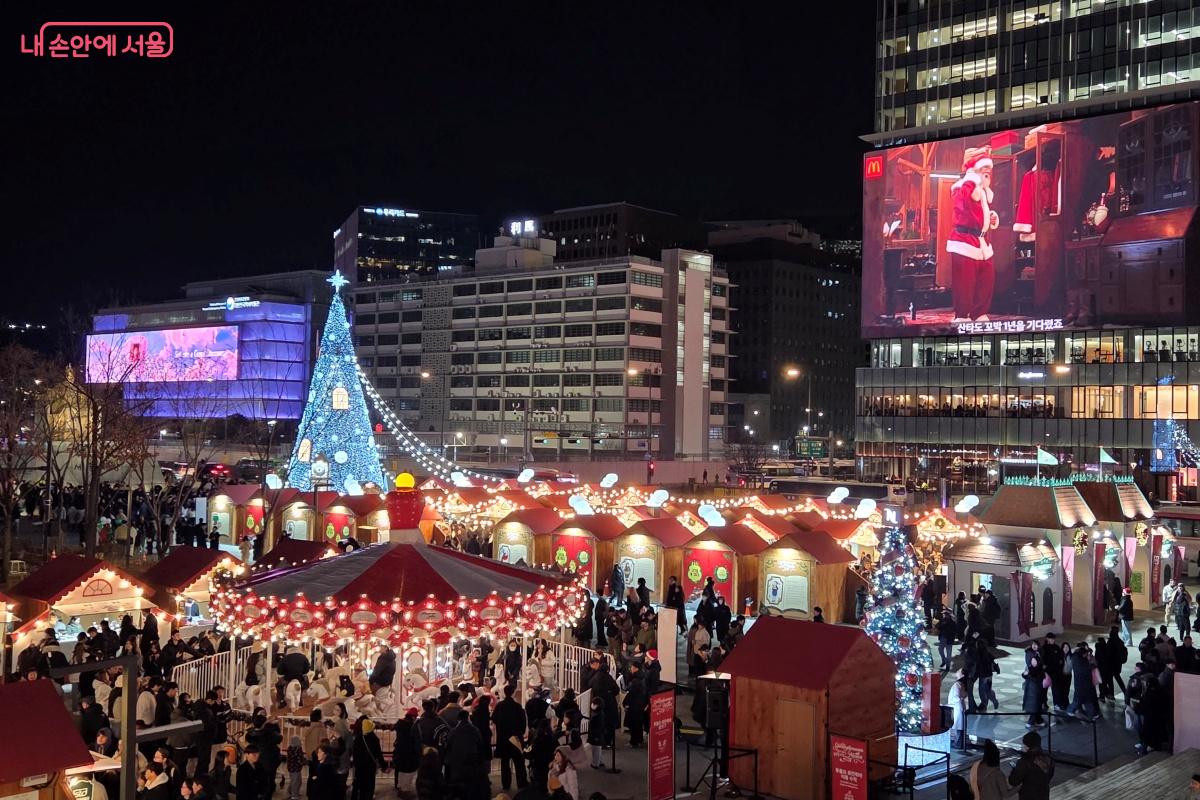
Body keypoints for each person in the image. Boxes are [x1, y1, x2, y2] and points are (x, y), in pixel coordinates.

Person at [946, 146, 999, 323]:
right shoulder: (962, 187)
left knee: (986, 281)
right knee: (964, 284)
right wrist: (971, 180)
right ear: (974, 169)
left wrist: (990, 217)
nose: (988, 173)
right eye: (984, 169)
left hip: (982, 243)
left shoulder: (982, 190)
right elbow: (961, 205)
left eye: (989, 170)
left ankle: (979, 313)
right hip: (964, 242)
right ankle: (962, 315)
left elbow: (978, 212)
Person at [493, 683, 528, 792]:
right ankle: (521, 783)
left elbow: (494, 719)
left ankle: (506, 784)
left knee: (505, 762)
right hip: (515, 738)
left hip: (503, 738)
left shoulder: (499, 706)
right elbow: (523, 723)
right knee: (519, 762)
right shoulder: (517, 707)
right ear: (513, 693)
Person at [1008, 730, 1053, 800]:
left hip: (1028, 796)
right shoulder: (1048, 759)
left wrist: (1014, 769)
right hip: (1044, 795)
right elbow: (1049, 776)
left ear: (1027, 747)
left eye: (1024, 745)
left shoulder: (1024, 762)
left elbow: (1014, 781)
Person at [351, 717, 386, 800]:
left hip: (360, 767)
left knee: (361, 787)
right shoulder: (374, 739)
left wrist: (355, 765)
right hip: (370, 767)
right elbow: (379, 754)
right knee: (369, 787)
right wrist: (384, 766)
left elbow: (355, 755)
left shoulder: (358, 739)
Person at [392, 708, 421, 796]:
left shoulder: (399, 723)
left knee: (401, 771)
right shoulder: (412, 726)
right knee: (408, 772)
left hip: (400, 751)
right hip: (409, 753)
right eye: (415, 716)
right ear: (412, 717)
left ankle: (400, 788)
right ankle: (405, 791)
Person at [1022, 641, 1046, 727]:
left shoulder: (1039, 654)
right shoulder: (1030, 654)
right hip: (1033, 682)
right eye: (1033, 644)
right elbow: (1031, 668)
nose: (1035, 646)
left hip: (1038, 681)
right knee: (1034, 701)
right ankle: (1031, 721)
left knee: (1038, 701)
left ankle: (1038, 719)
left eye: (1036, 644)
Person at [949, 669, 970, 750]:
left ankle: (958, 744)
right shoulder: (961, 684)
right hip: (959, 707)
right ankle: (959, 743)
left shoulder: (957, 685)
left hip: (957, 707)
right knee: (960, 727)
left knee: (959, 728)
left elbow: (956, 697)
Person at [285, 736, 306, 800]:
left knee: (297, 781)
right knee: (295, 782)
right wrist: (302, 761)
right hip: (294, 768)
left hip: (296, 768)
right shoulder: (293, 749)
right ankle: (294, 795)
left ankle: (290, 791)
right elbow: (298, 758)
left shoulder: (297, 748)